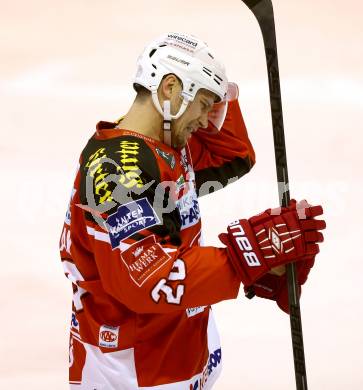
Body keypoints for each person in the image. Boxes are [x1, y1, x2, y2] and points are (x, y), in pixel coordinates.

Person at [59, 32, 326, 389]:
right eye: (204, 104)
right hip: (132, 371)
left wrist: (217, 92)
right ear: (170, 88)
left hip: (170, 351)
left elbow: (233, 155)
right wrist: (246, 257)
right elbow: (149, 281)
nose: (207, 120)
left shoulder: (165, 145)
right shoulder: (117, 169)